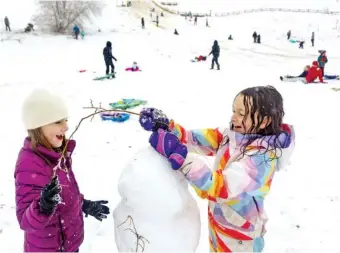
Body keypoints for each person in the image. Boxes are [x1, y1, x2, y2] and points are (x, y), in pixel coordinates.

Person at [138, 85, 295, 252]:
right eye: (234, 110)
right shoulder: (230, 136)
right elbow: (192, 139)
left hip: (240, 237)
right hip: (219, 224)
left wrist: (180, 156)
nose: (234, 118)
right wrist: (166, 126)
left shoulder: (263, 159)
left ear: (264, 121)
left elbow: (220, 186)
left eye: (241, 114)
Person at [14, 88, 110, 252]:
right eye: (58, 122)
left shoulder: (59, 155)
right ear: (38, 126)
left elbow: (65, 193)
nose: (66, 127)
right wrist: (43, 207)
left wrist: (82, 204)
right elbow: (25, 220)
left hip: (69, 246)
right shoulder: (29, 165)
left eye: (65, 120)